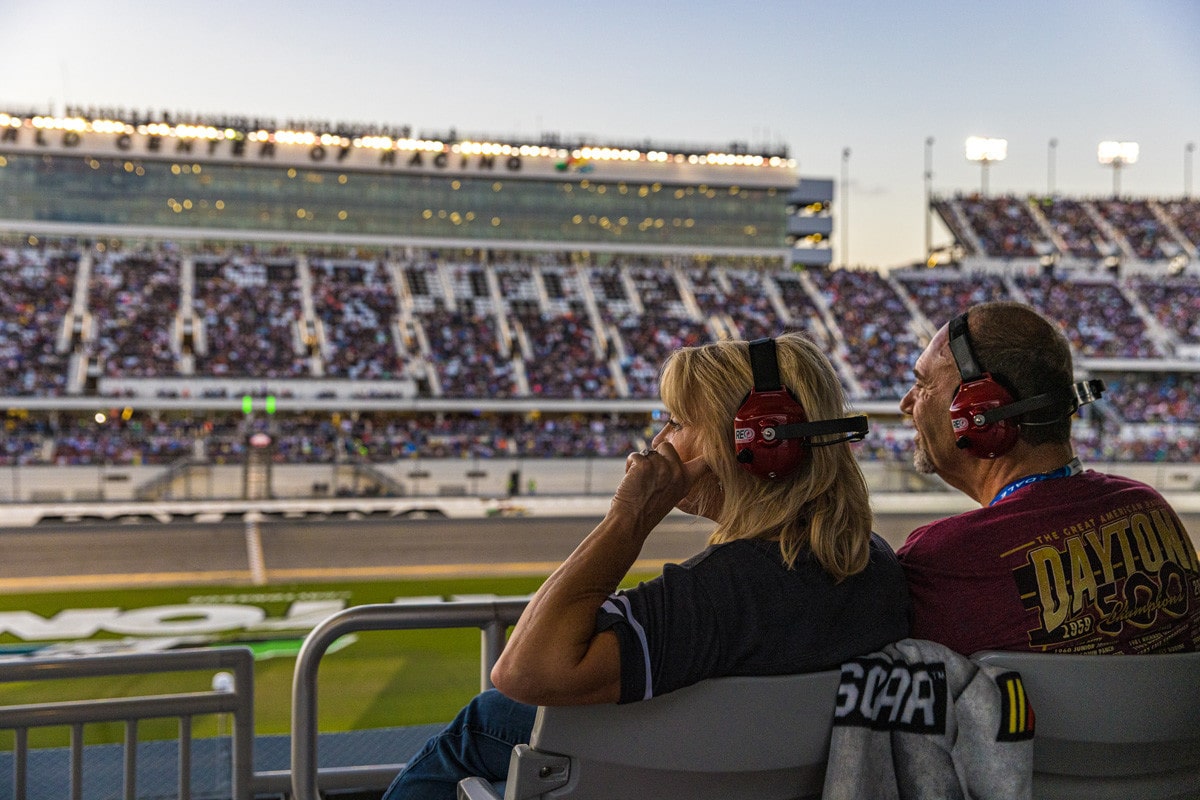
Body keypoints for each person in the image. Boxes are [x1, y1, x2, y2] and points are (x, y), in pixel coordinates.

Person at [382, 333, 911, 799]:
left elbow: (520, 671)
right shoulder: (880, 567)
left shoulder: (721, 591)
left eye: (678, 422)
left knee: (487, 719)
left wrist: (628, 517)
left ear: (755, 442)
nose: (660, 443)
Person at [897, 300, 1200, 656]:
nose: (906, 402)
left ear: (980, 412)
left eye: (921, 384)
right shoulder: (1151, 509)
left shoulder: (939, 562)